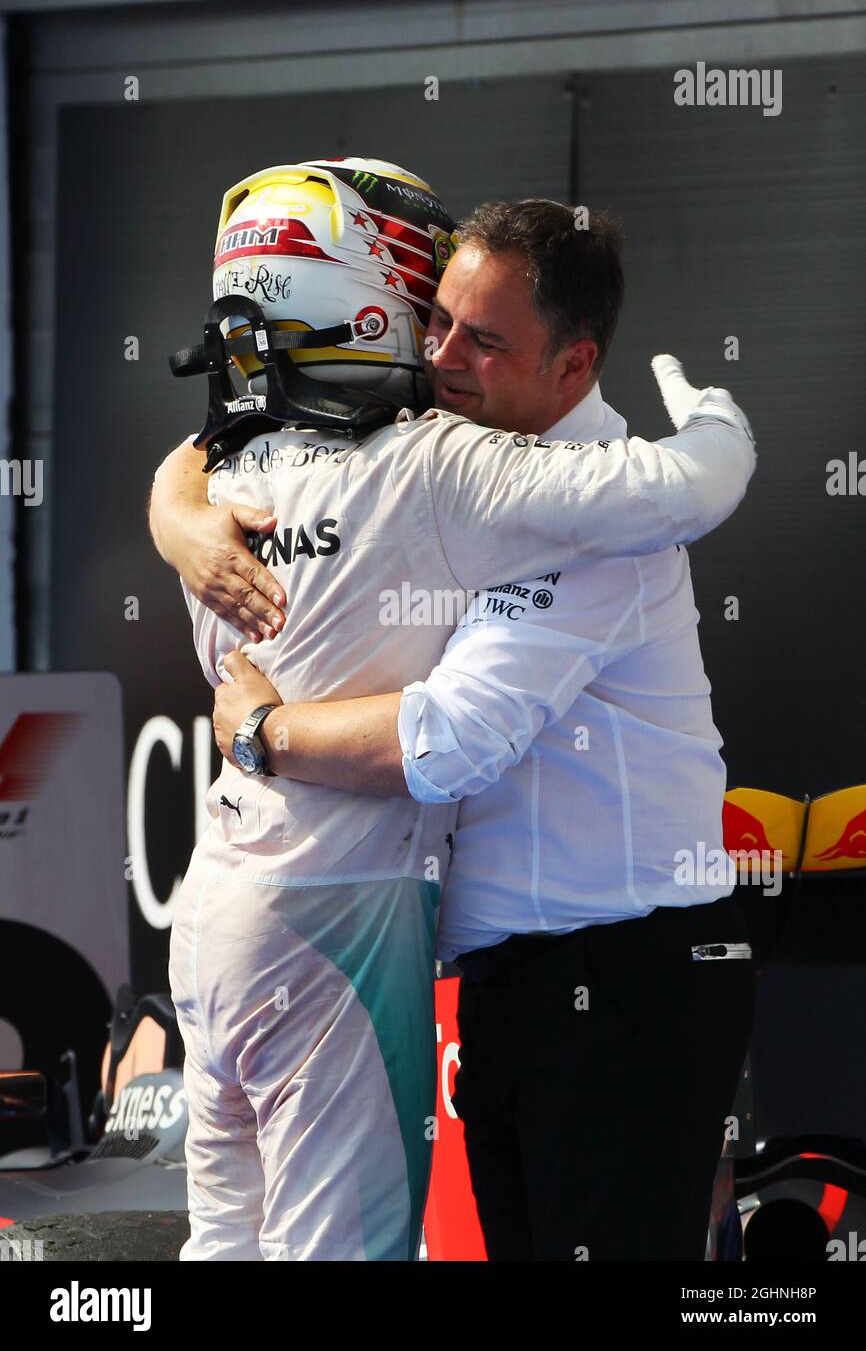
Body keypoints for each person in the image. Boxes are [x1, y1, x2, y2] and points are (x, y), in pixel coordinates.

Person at [150, 160, 755, 1261]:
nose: (442, 358)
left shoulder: (577, 508)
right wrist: (176, 516)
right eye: (437, 321)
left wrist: (255, 731)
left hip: (619, 976)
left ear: (574, 364)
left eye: (484, 341)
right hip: (474, 969)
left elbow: (447, 740)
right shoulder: (390, 453)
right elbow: (190, 462)